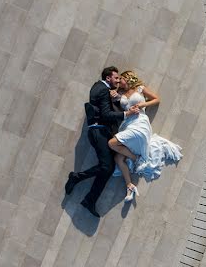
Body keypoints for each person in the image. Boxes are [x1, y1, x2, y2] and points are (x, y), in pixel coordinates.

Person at [64, 66, 140, 217]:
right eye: (116, 78)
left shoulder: (98, 87)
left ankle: (90, 200)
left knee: (108, 168)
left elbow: (103, 108)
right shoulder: (103, 90)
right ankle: (76, 177)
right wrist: (127, 113)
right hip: (99, 132)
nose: (118, 81)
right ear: (108, 78)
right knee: (106, 167)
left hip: (99, 132)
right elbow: (105, 115)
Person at [108, 70, 183, 203]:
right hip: (127, 124)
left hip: (140, 123)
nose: (119, 82)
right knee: (118, 158)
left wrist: (143, 104)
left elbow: (156, 99)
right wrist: (113, 98)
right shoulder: (121, 95)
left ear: (128, 78)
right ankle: (130, 186)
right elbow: (121, 112)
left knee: (112, 143)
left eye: (121, 79)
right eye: (118, 80)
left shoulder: (140, 88)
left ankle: (136, 158)